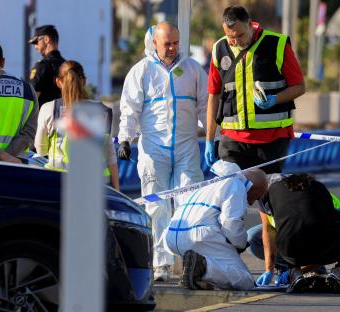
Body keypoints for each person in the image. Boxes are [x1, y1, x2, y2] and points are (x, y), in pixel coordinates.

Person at [117, 21, 208, 281]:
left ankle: (191, 264)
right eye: (167, 43)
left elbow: (204, 107)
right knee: (156, 208)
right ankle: (161, 265)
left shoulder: (192, 70)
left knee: (189, 204)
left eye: (176, 43)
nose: (172, 48)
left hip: (186, 148)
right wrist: (125, 138)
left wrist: (216, 138)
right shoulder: (141, 71)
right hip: (153, 150)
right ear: (154, 42)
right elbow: (130, 109)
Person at [204, 5, 305, 173]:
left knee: (267, 193)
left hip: (272, 140)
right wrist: (209, 139)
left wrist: (275, 99)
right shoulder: (219, 49)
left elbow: (299, 87)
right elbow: (213, 95)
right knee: (231, 192)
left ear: (250, 24)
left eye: (240, 35)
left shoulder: (277, 44)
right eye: (230, 37)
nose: (235, 42)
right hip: (232, 140)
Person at [163, 164, 268, 290]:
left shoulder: (207, 184)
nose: (253, 202)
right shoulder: (236, 184)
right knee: (245, 280)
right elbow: (231, 224)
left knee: (219, 261)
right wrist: (241, 244)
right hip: (198, 237)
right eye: (257, 196)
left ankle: (196, 271)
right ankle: (202, 266)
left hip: (171, 237)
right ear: (254, 187)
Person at [266, 173, 340, 293]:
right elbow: (333, 220)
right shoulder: (317, 187)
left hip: (286, 250)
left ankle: (294, 273)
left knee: (289, 232)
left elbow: (270, 228)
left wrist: (269, 270)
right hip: (318, 245)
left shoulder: (273, 191)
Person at [248, 176, 340, 287]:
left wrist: (302, 270)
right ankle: (289, 267)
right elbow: (268, 229)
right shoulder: (264, 191)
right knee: (253, 238)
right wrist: (269, 269)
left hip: (317, 228)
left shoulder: (291, 190)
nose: (249, 204)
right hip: (292, 232)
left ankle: (300, 266)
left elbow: (326, 238)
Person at [35, 60, 119, 190]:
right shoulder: (103, 110)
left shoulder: (49, 109)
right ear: (84, 81)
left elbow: (41, 150)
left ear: (58, 82)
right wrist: (117, 191)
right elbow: (110, 156)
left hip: (60, 184)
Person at [29, 25, 65, 107]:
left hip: (45, 117)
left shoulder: (42, 66)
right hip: (65, 116)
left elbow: (32, 97)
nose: (35, 47)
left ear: (46, 39)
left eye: (36, 42)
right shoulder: (66, 65)